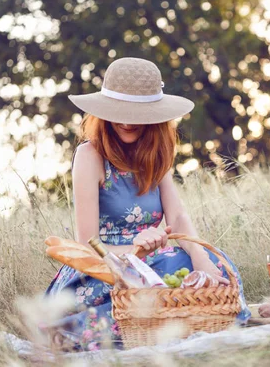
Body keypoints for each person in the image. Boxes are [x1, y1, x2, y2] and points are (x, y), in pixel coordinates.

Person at [45, 57, 250, 351]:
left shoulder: (156, 151)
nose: (127, 121)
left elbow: (177, 215)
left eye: (137, 113)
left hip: (153, 258)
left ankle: (199, 324)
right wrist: (136, 249)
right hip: (105, 267)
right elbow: (87, 243)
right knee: (172, 267)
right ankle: (73, 330)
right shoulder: (90, 155)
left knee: (216, 264)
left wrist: (201, 257)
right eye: (119, 112)